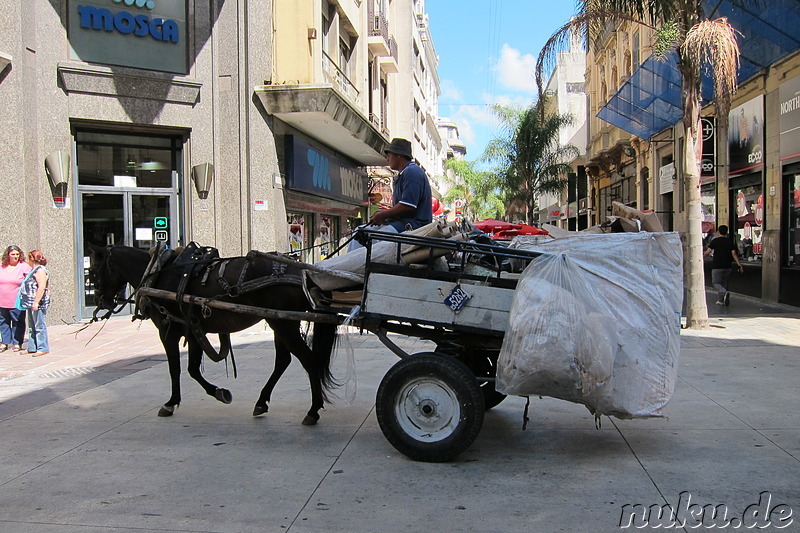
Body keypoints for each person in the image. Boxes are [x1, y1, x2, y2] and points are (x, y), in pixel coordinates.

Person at [348, 138, 432, 251]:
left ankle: (363, 265)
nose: (387, 159)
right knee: (360, 231)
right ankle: (352, 265)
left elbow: (408, 206)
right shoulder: (404, 174)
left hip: (415, 226)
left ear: (398, 155)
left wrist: (384, 214)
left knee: (378, 236)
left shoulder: (412, 172)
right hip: (403, 223)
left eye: (389, 155)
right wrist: (385, 215)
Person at [0, 245, 31, 352]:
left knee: (18, 322)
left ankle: (17, 342)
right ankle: (4, 342)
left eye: (17, 254)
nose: (15, 256)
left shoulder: (24, 266)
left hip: (17, 301)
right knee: (3, 322)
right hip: (2, 300)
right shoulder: (2, 266)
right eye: (13, 254)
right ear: (8, 255)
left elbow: (32, 279)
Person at [704, 225, 743, 306]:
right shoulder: (729, 242)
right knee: (724, 283)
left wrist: (702, 258)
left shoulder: (715, 241)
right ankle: (721, 300)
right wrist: (739, 265)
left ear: (718, 232)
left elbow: (707, 252)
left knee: (715, 283)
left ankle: (724, 293)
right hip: (727, 266)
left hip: (717, 266)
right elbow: (734, 254)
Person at [20, 250, 50, 356]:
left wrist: (36, 302)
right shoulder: (33, 270)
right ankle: (32, 346)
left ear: (31, 258)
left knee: (39, 325)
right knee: (32, 325)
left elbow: (41, 287)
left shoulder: (40, 270)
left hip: (38, 302)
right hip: (30, 301)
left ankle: (42, 347)